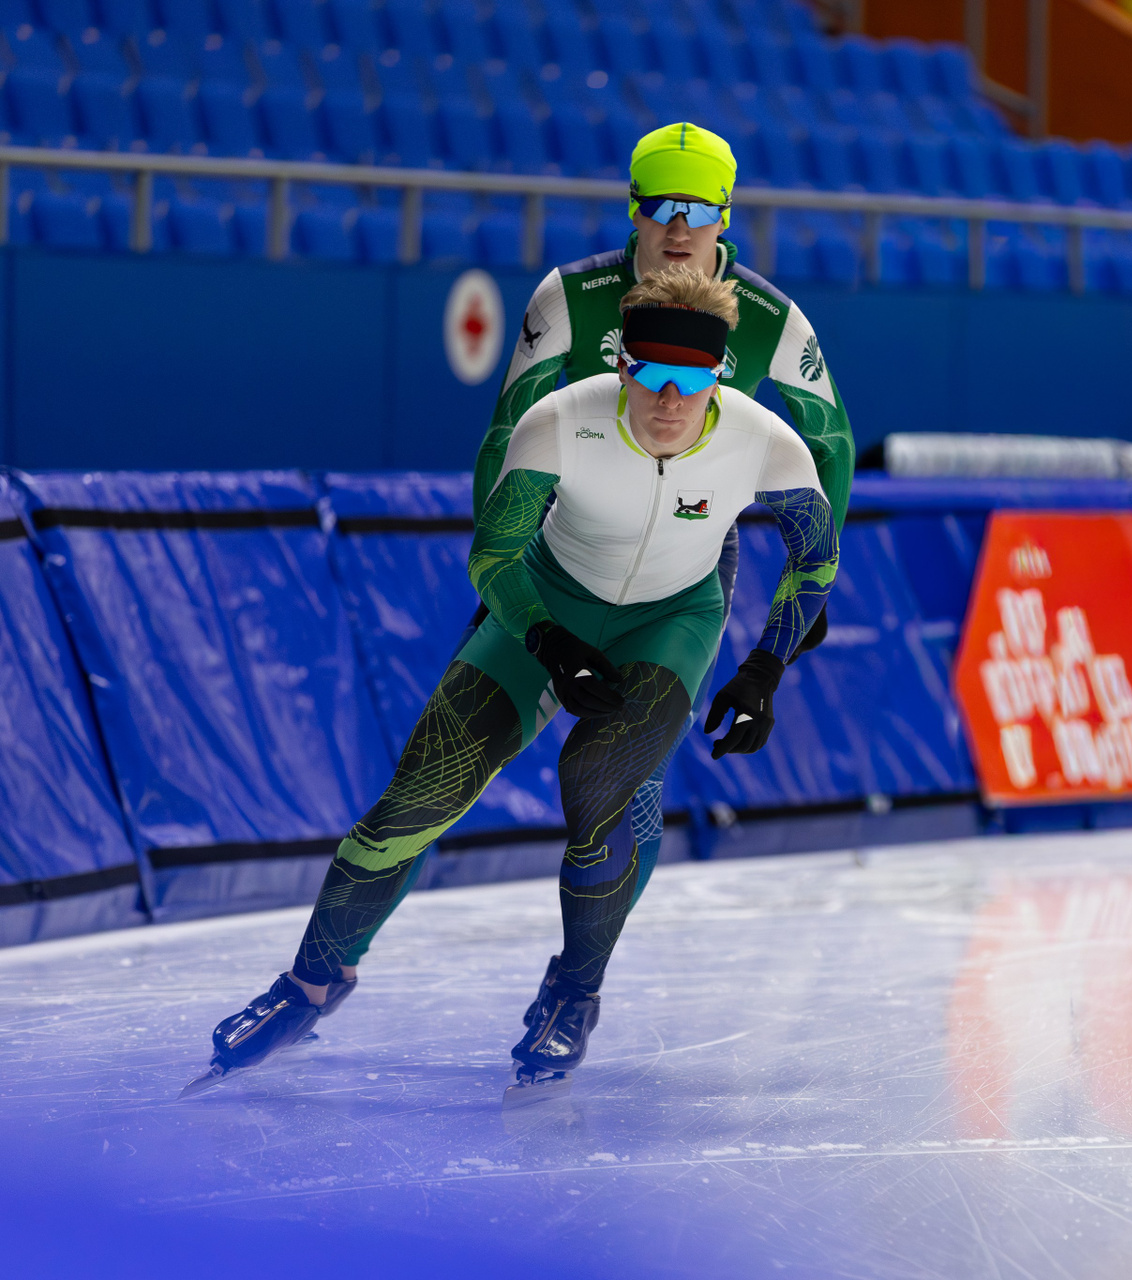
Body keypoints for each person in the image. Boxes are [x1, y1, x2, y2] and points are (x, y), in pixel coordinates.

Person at [184, 265, 838, 1098]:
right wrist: (547, 640)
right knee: (414, 801)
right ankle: (310, 983)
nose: (670, 400)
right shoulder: (560, 421)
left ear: (720, 375)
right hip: (547, 602)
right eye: (651, 374)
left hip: (671, 619)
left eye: (693, 378)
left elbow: (816, 558)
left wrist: (763, 670)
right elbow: (493, 556)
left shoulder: (764, 442)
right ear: (622, 366)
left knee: (596, 786)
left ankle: (573, 992)